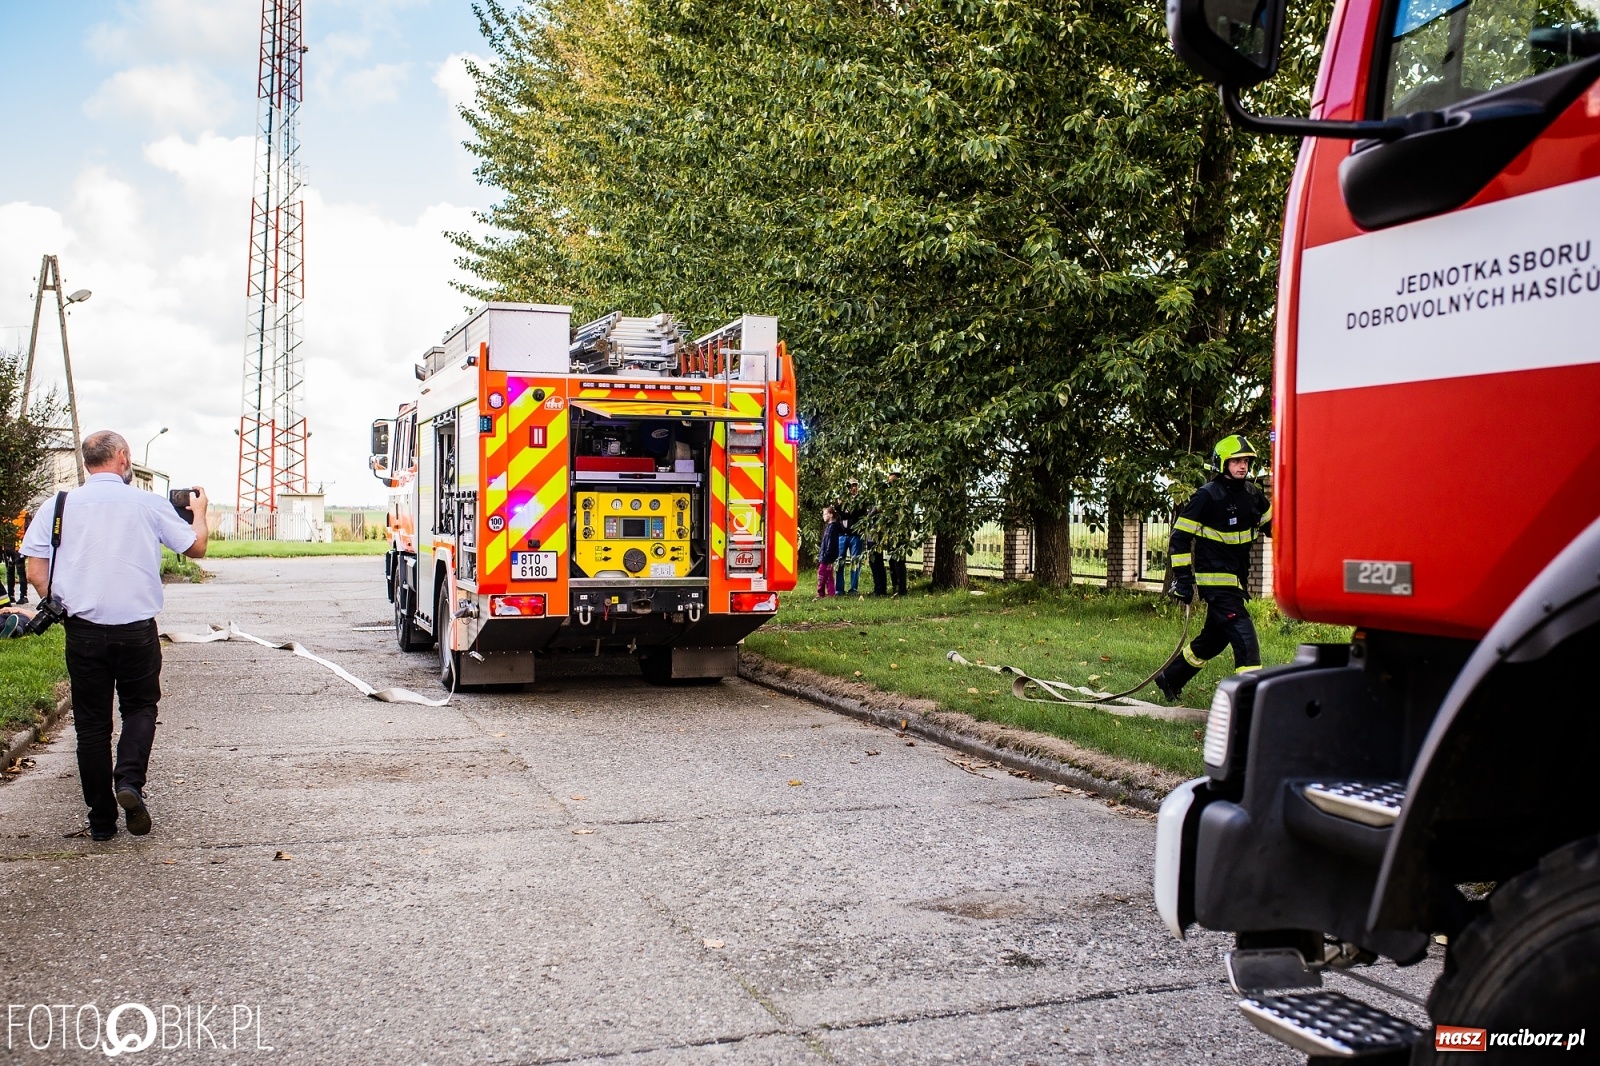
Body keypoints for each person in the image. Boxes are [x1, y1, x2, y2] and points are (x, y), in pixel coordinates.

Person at [21, 431, 209, 841]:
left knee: (91, 726)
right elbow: (195, 549)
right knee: (140, 709)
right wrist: (200, 511)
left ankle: (101, 823)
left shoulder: (58, 506)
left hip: (83, 630)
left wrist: (59, 601)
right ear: (123, 458)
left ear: (88, 462)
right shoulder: (147, 503)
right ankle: (128, 783)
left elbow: (35, 571)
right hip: (137, 630)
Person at [1153, 435, 1272, 701]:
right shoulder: (1207, 495)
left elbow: (1273, 525)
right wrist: (1182, 579)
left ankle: (1170, 678)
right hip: (1215, 582)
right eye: (1236, 461)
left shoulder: (1253, 494)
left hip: (1236, 580)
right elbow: (1180, 537)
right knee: (1244, 636)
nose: (1242, 466)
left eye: (1246, 461)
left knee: (1214, 639)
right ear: (1222, 463)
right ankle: (1250, 702)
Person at [834, 480, 865, 595]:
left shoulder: (861, 500)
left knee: (855, 562)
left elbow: (856, 513)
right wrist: (841, 506)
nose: (853, 488)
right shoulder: (841, 499)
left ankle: (853, 589)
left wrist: (844, 512)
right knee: (839, 561)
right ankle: (839, 589)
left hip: (855, 535)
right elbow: (836, 509)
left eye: (855, 485)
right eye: (851, 486)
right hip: (842, 535)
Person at [4, 509, 27, 605]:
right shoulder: (25, 515)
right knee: (15, 572)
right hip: (16, 546)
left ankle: (16, 596)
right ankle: (19, 596)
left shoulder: (5, 515)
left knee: (14, 572)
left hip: (12, 546)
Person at [817, 505, 841, 597]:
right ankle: (831, 593)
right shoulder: (829, 527)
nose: (823, 516)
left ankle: (820, 593)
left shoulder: (832, 527)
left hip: (827, 556)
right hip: (827, 555)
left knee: (821, 575)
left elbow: (831, 542)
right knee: (829, 576)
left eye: (825, 514)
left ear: (830, 515)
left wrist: (827, 553)